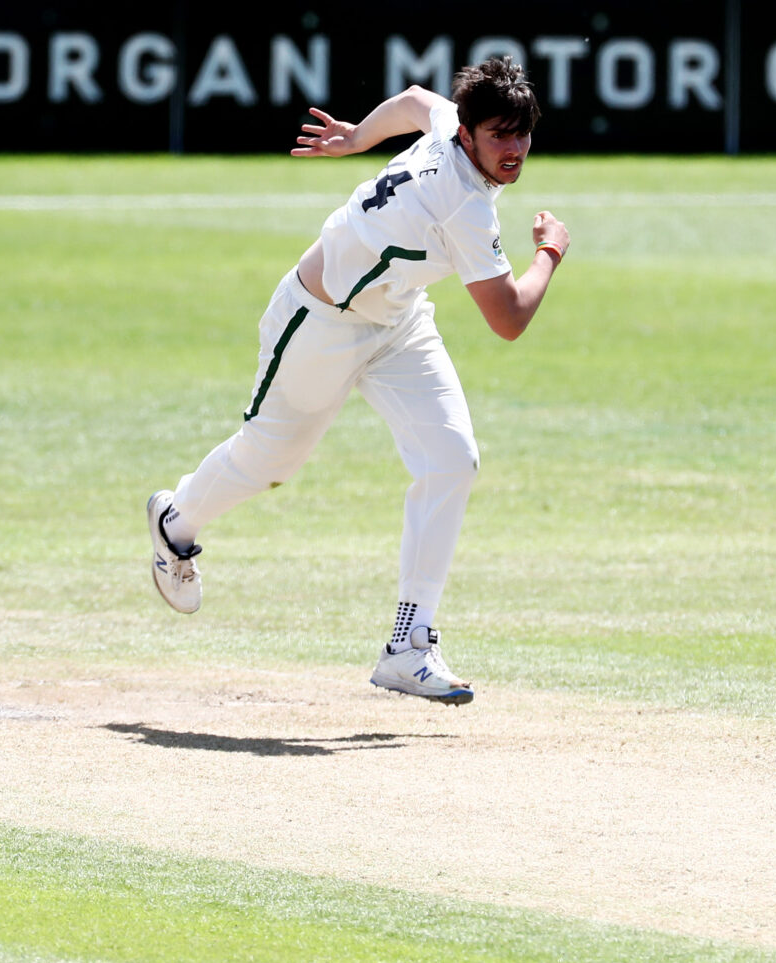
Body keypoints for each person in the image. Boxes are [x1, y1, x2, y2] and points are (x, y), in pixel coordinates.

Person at [146, 57, 570, 706]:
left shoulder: (451, 125)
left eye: (521, 134)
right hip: (319, 321)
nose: (512, 150)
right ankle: (175, 521)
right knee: (269, 460)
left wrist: (357, 138)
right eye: (498, 136)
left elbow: (409, 101)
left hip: (395, 319)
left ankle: (409, 647)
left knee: (452, 460)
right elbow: (508, 318)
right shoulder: (462, 202)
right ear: (468, 136)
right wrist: (550, 251)